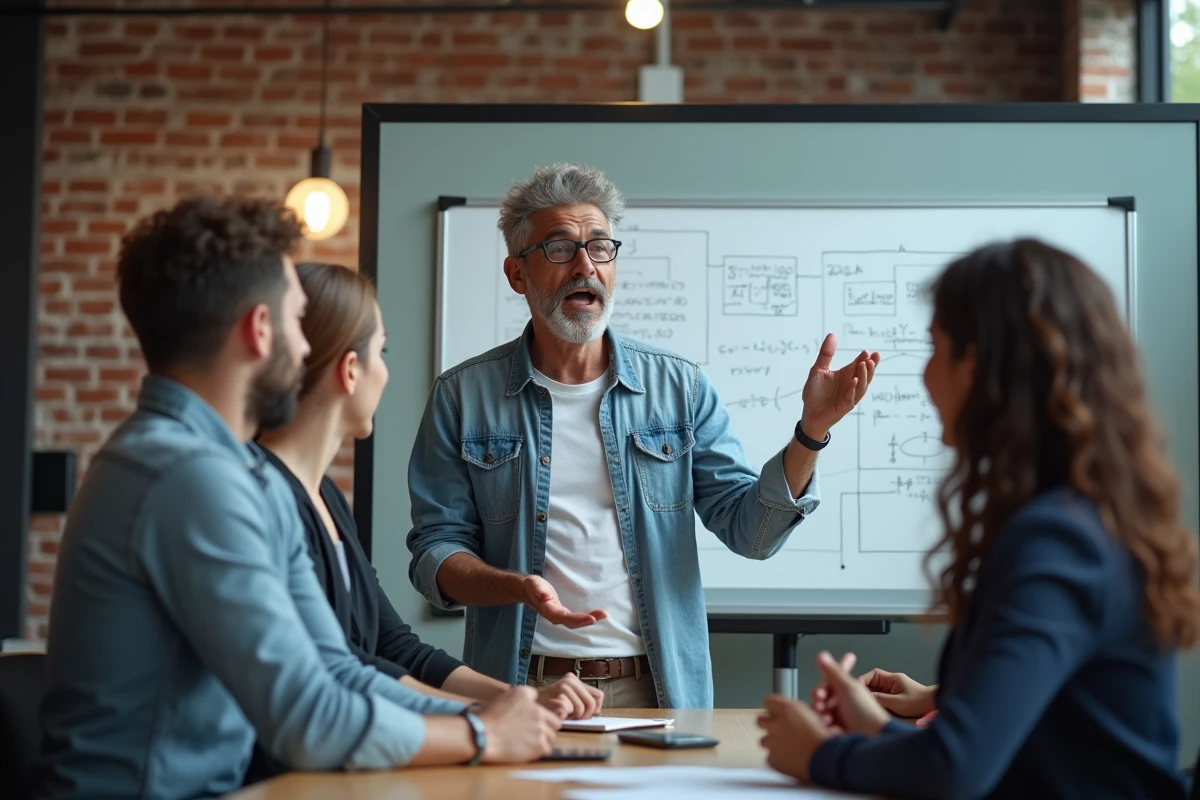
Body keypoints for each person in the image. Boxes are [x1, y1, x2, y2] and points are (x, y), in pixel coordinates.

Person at [35, 197, 560, 800]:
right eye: (295, 319)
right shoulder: (189, 476)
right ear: (260, 331)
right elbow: (307, 719)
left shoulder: (229, 473)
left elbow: (335, 668)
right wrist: (481, 735)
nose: (308, 349)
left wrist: (491, 719)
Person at [406, 163, 880, 708]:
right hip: (522, 689)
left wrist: (811, 432)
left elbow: (752, 533)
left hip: (655, 691)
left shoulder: (680, 388)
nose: (585, 265)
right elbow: (435, 554)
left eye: (600, 246)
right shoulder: (462, 397)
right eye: (559, 248)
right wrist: (513, 586)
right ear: (517, 274)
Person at [757, 238, 1200, 799]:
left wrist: (819, 755)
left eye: (936, 349)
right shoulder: (1081, 518)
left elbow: (955, 769)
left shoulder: (1058, 540)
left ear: (979, 368)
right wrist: (881, 729)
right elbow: (1034, 749)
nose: (925, 376)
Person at [254, 261, 603, 722]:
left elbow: (392, 646)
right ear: (351, 370)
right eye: (382, 351)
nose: (386, 372)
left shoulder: (326, 497)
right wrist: (482, 723)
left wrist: (519, 699)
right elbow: (340, 672)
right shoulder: (263, 498)